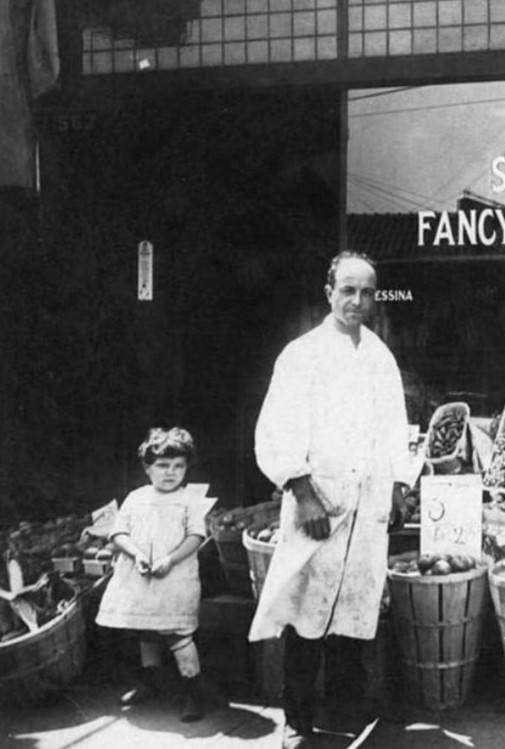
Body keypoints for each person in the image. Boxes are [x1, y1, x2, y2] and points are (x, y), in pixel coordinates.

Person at [250, 252, 412, 748]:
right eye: (348, 290)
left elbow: (393, 427)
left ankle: (345, 715)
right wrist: (303, 493)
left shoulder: (380, 356)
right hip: (317, 504)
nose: (357, 301)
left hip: (366, 507)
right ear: (328, 291)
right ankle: (297, 719)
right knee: (306, 613)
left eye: (367, 292)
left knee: (353, 611)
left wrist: (399, 485)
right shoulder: (303, 354)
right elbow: (276, 430)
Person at [96, 427, 213, 722]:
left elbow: (196, 536)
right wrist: (135, 553)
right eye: (162, 466)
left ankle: (192, 693)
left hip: (174, 577)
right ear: (148, 468)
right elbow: (118, 533)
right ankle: (150, 682)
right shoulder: (136, 497)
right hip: (140, 576)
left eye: (178, 466)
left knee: (177, 633)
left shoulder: (189, 500)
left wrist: (170, 560)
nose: (171, 473)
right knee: (145, 630)